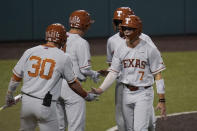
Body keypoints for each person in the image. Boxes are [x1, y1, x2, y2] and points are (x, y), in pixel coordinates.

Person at [5, 23, 97, 131]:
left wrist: (9, 96)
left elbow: (16, 78)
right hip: (45, 106)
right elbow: (73, 83)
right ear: (62, 39)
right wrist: (87, 96)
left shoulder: (30, 51)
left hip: (26, 104)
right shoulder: (63, 57)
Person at [92, 15, 166, 131]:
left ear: (137, 30)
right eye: (124, 28)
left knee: (140, 129)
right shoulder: (120, 48)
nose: (126, 31)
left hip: (144, 93)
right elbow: (113, 72)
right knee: (129, 129)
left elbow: (158, 75)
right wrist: (100, 90)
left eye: (129, 28)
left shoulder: (150, 49)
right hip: (126, 93)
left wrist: (162, 100)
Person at [56, 10, 100, 131]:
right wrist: (94, 74)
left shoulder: (59, 37)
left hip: (54, 85)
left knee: (58, 127)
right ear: (85, 25)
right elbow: (85, 70)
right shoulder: (81, 42)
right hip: (73, 87)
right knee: (76, 127)